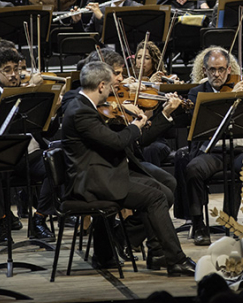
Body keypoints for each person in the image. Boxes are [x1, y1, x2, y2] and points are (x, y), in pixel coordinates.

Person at [62, 61, 195, 275]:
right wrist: (135, 126)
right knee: (156, 197)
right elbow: (115, 142)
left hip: (105, 172)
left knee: (161, 190)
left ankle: (125, 248)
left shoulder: (85, 106)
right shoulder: (81, 111)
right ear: (102, 86)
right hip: (94, 181)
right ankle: (176, 260)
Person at [0, 47, 57, 244]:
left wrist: (53, 112)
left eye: (16, 69)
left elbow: (47, 131)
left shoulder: (31, 92)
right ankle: (2, 224)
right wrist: (20, 92)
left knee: (57, 165)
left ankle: (40, 219)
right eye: (7, 70)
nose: (14, 75)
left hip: (29, 155)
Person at [186, 47, 243, 245]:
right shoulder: (196, 93)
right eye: (212, 69)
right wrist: (231, 98)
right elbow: (200, 124)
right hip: (211, 152)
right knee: (193, 169)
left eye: (221, 69)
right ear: (204, 70)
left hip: (240, 149)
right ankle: (199, 224)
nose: (217, 74)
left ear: (229, 70)